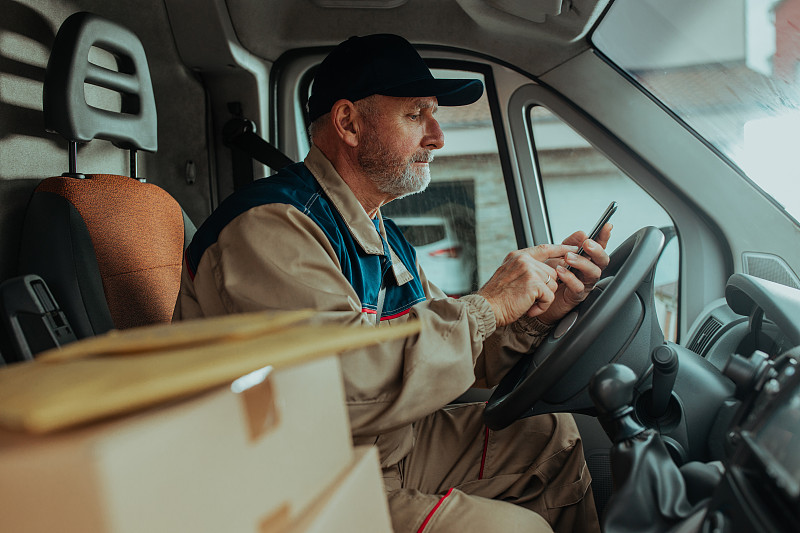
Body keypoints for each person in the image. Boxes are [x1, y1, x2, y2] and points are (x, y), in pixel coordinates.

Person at [174, 34, 610, 533]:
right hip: (297, 478)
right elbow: (342, 388)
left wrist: (536, 315)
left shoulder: (378, 229)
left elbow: (451, 353)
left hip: (381, 447)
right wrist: (490, 305)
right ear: (349, 123)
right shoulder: (270, 227)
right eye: (415, 115)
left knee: (553, 438)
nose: (438, 136)